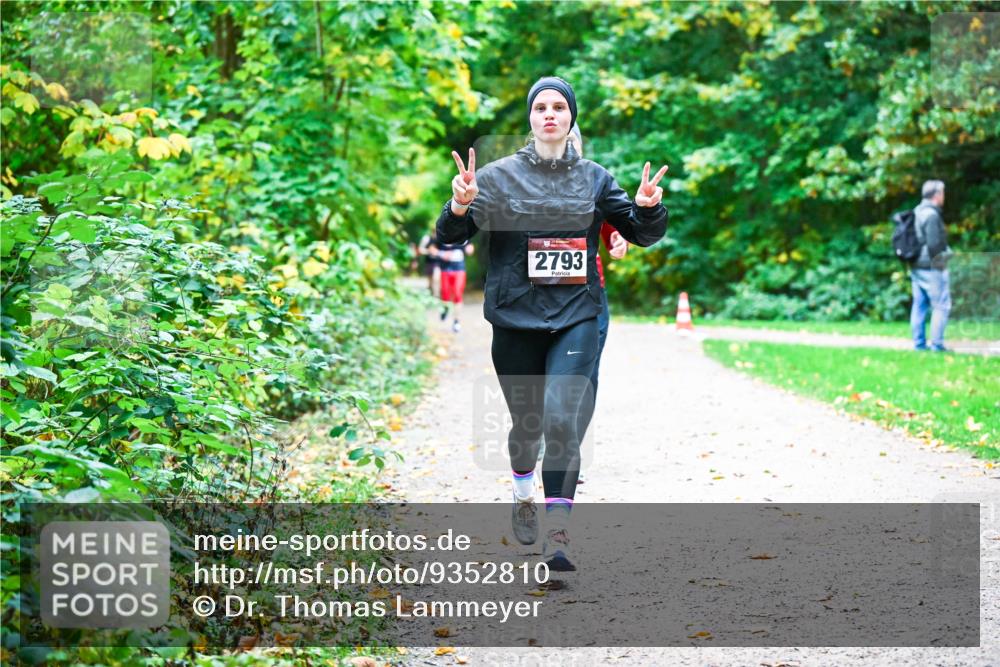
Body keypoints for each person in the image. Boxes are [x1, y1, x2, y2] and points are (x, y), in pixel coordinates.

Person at [436, 76, 668, 571]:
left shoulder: (595, 178)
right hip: (515, 318)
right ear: (530, 118)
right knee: (529, 425)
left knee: (563, 421)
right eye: (540, 106)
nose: (549, 114)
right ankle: (523, 492)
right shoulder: (496, 178)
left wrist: (648, 210)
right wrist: (459, 203)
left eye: (558, 107)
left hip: (576, 315)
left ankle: (558, 535)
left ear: (570, 118)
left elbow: (637, 232)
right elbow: (452, 236)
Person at [910, 179, 952, 352]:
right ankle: (937, 345)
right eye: (942, 193)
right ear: (937, 195)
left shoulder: (916, 211)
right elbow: (934, 245)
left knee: (919, 304)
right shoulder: (932, 215)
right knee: (941, 305)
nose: (944, 197)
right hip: (930, 266)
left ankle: (919, 344)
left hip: (915, 264)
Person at [438, 239, 474, 332]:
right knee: (445, 294)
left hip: (459, 268)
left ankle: (456, 321)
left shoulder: (463, 235)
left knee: (457, 294)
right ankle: (445, 309)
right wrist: (441, 254)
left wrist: (470, 249)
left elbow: (470, 247)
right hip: (445, 268)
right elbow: (431, 248)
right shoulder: (442, 233)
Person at [417, 229, 439, 296]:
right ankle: (431, 292)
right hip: (429, 261)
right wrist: (429, 251)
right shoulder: (426, 238)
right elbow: (420, 249)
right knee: (430, 280)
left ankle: (436, 294)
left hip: (438, 262)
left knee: (436, 278)